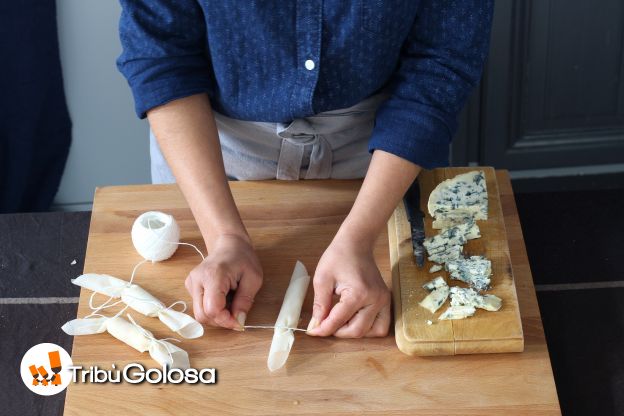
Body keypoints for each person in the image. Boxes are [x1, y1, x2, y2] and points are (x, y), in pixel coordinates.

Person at [117, 1, 493, 338]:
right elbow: (162, 55)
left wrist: (359, 238)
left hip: (384, 153)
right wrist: (224, 238)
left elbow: (440, 64)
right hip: (209, 150)